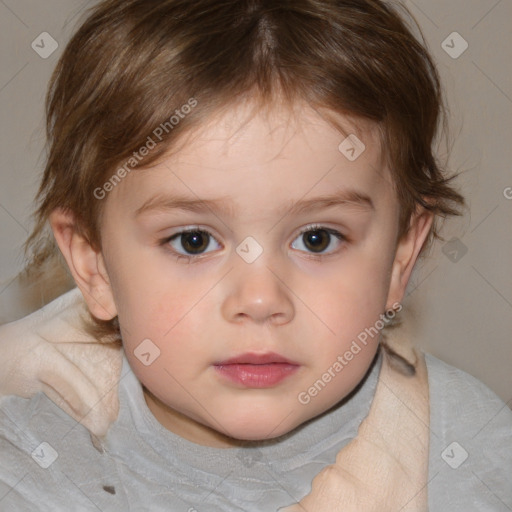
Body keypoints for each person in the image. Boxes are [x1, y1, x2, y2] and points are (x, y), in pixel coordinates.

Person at [0, 0, 511, 510]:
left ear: (401, 257)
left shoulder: (465, 455)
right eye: (193, 241)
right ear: (94, 266)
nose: (261, 299)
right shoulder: (33, 462)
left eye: (317, 239)